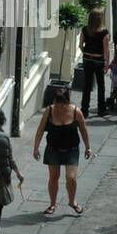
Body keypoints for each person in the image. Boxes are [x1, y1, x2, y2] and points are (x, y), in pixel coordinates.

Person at [33, 85, 92, 215]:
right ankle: (52, 204)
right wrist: (36, 148)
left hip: (71, 149)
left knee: (71, 177)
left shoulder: (76, 112)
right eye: (56, 103)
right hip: (53, 148)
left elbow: (83, 130)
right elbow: (40, 130)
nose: (59, 107)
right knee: (54, 177)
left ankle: (72, 201)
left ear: (67, 102)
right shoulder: (49, 111)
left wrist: (88, 147)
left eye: (62, 104)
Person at [78, 8, 110, 118]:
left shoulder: (85, 29)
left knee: (87, 85)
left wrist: (85, 53)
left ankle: (84, 110)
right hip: (99, 60)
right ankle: (101, 109)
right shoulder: (104, 32)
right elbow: (106, 49)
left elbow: (80, 45)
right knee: (101, 85)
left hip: (87, 59)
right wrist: (107, 63)